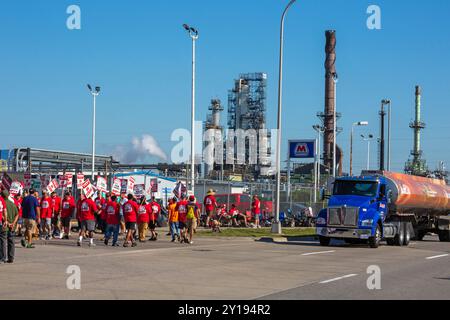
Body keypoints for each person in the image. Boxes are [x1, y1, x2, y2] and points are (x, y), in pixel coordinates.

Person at [0, 190, 18, 263]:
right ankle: (11, 257)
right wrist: (13, 223)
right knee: (11, 241)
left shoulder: (2, 203)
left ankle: (3, 257)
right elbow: (17, 214)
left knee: (3, 241)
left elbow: (2, 214)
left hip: (5, 225)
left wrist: (7, 223)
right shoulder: (12, 204)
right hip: (12, 226)